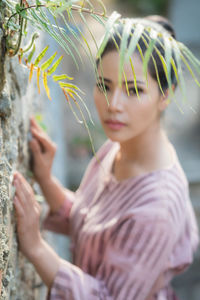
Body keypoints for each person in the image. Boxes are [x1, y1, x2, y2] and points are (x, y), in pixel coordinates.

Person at [13, 15, 199, 300]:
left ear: (166, 94)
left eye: (134, 90)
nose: (113, 106)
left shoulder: (157, 209)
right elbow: (98, 230)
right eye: (104, 85)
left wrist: (36, 247)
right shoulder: (119, 145)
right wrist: (47, 182)